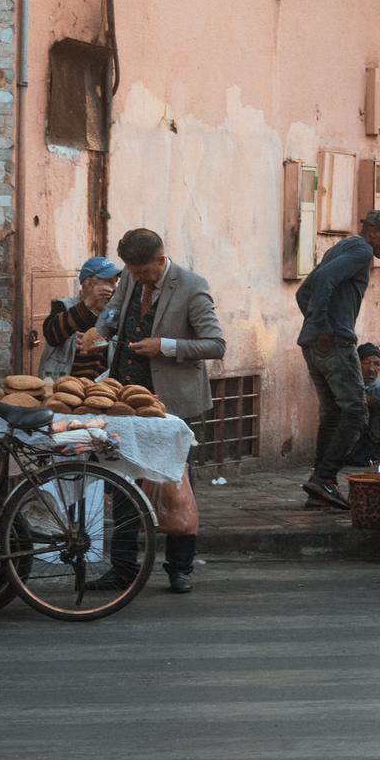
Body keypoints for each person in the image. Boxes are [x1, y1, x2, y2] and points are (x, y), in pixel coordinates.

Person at [98, 228, 225, 593]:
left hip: (170, 403)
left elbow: (215, 344)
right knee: (121, 479)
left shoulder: (191, 286)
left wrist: (164, 346)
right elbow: (114, 311)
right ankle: (122, 568)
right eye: (132, 273)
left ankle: (179, 568)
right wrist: (101, 329)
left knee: (174, 485)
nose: (138, 279)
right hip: (125, 397)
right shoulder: (131, 278)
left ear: (160, 259)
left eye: (144, 273)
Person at [295, 210, 380, 510]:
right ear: (372, 232)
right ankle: (325, 478)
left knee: (332, 415)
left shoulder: (340, 248)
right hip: (335, 343)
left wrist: (314, 325)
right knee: (356, 412)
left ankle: (318, 487)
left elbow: (305, 291)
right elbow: (322, 281)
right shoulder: (361, 251)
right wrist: (323, 326)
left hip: (314, 344)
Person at [39, 256, 120, 380]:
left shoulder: (111, 313)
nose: (114, 288)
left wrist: (101, 343)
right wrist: (88, 303)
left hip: (100, 389)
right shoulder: (63, 306)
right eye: (108, 281)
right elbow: (51, 336)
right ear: (88, 283)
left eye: (115, 282)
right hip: (64, 383)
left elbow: (119, 343)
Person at [345, 343, 380, 466]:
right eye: (366, 363)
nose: (371, 369)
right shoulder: (347, 383)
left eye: (376, 364)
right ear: (357, 364)